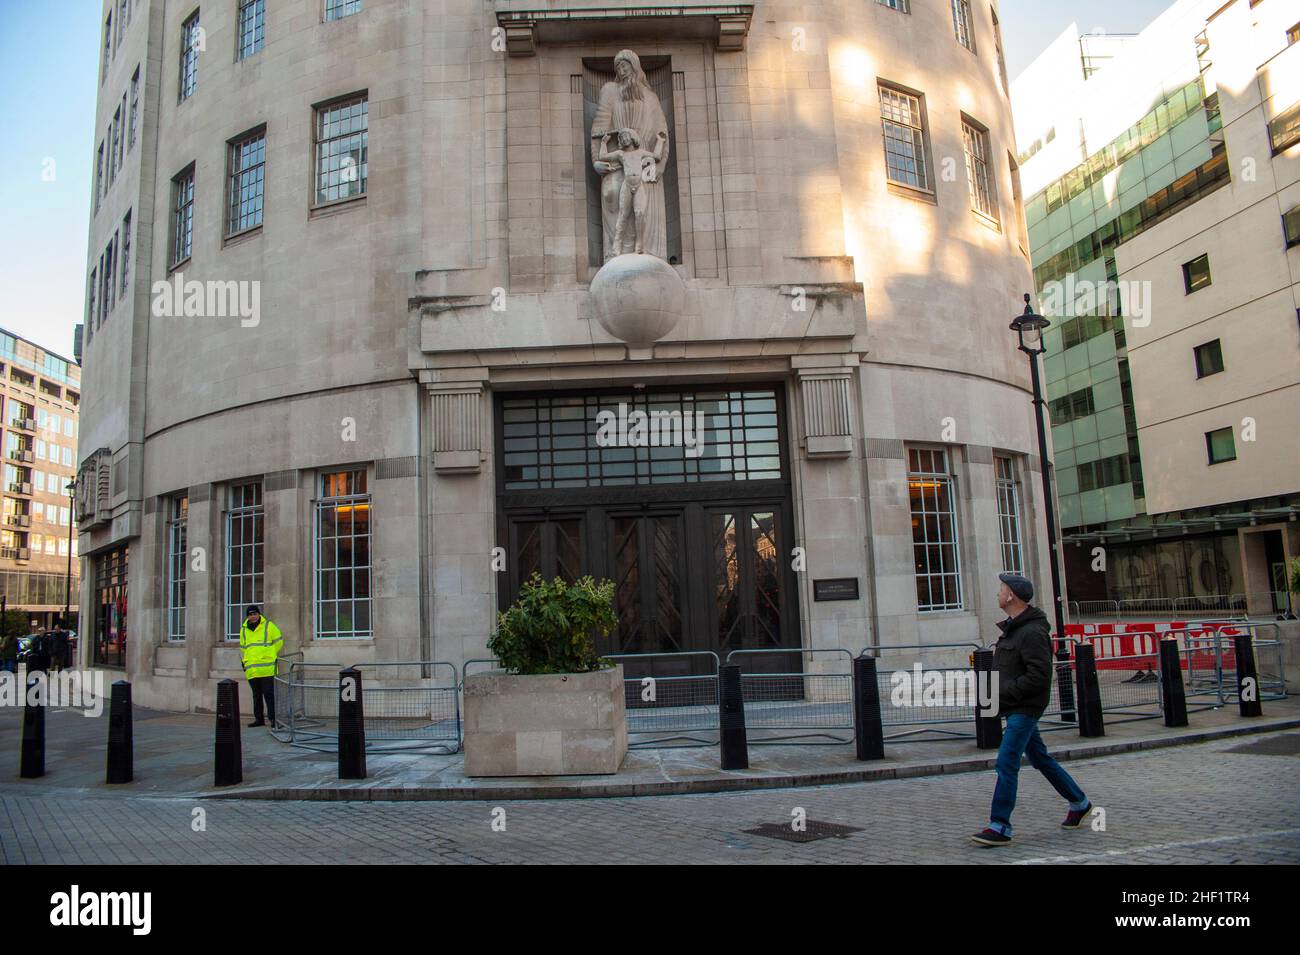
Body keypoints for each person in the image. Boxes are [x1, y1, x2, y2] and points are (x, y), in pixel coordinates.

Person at [971, 573, 1094, 846]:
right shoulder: (1015, 628)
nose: (998, 594)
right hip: (1014, 705)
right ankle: (1079, 802)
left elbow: (1039, 676)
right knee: (1040, 758)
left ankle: (1000, 825)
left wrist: (1003, 693)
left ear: (1012, 595)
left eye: (1001, 589)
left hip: (1024, 708)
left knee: (1007, 761)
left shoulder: (1032, 632)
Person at [238, 605, 283, 728]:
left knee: (269, 695)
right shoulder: (244, 629)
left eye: (255, 614)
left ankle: (273, 719)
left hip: (267, 668)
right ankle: (259, 719)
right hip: (252, 669)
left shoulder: (268, 625)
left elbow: (279, 641)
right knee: (256, 696)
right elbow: (243, 647)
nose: (253, 616)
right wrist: (247, 661)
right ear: (247, 616)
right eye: (250, 614)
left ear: (259, 614)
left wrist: (270, 653)